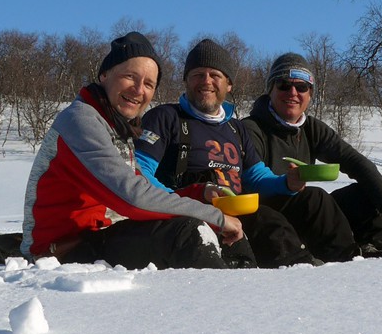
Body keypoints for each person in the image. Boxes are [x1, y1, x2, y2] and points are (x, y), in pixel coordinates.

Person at [21, 32, 243, 269]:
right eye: (130, 76)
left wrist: (200, 194)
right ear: (104, 75)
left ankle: (246, 292)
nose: (139, 90)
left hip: (99, 236)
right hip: (60, 250)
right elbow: (133, 198)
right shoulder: (82, 120)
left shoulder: (115, 125)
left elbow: (139, 188)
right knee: (188, 233)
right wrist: (215, 217)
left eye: (148, 84)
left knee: (229, 231)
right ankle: (220, 301)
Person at [134, 39, 320, 268]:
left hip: (237, 213)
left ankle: (304, 275)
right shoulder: (165, 118)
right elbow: (139, 173)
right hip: (190, 214)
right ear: (185, 80)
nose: (206, 81)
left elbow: (256, 177)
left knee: (272, 223)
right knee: (264, 225)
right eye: (197, 74)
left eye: (215, 75)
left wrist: (286, 183)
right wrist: (190, 198)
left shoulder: (235, 127)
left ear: (229, 84)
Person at [241, 52, 382, 258]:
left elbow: (355, 162)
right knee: (315, 198)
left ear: (310, 94)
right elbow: (253, 181)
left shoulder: (311, 128)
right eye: (284, 85)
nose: (293, 92)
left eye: (302, 87)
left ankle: (381, 249)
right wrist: (287, 183)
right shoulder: (250, 129)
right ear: (271, 90)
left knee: (363, 193)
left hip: (304, 214)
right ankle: (346, 260)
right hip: (268, 219)